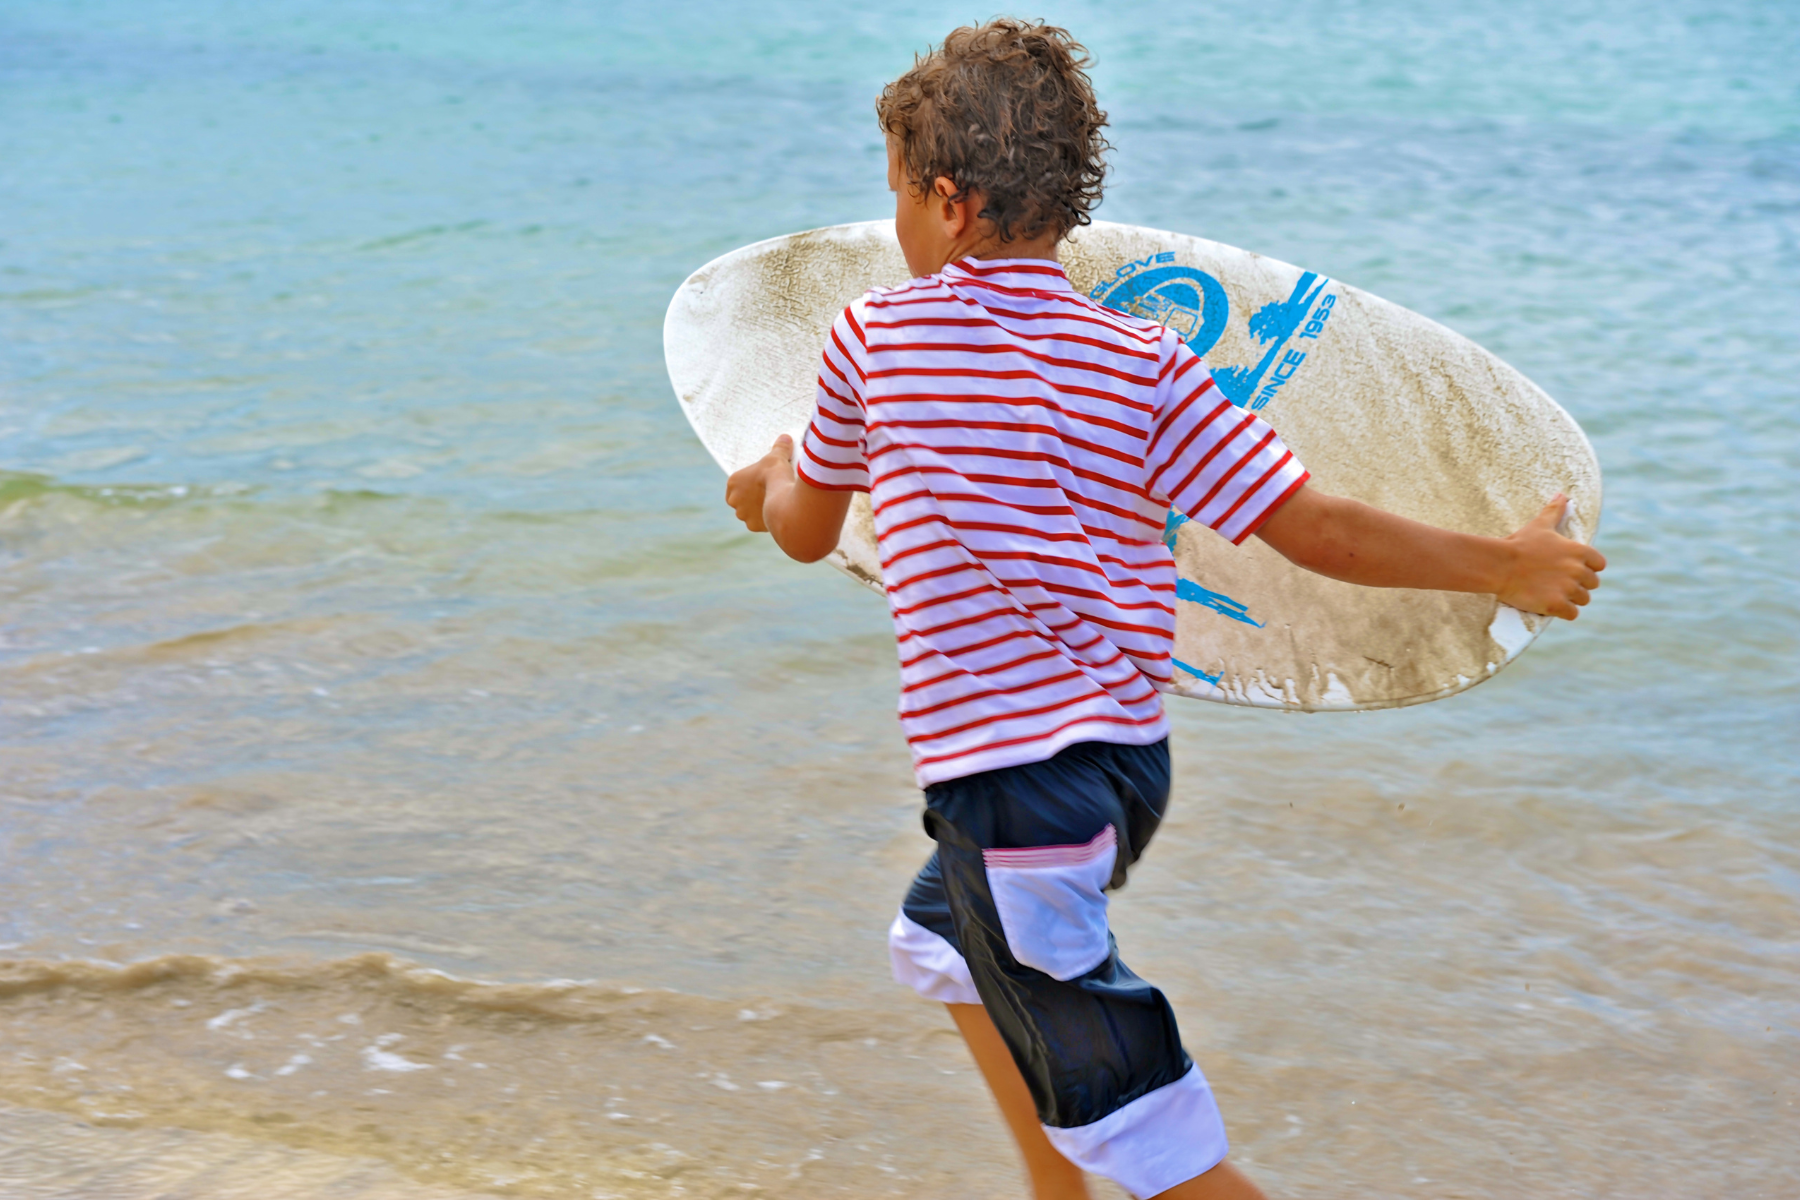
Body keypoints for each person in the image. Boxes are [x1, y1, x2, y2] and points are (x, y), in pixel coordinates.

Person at [724, 19, 1605, 1200]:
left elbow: (807, 530)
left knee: (1146, 1131)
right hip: (1121, 769)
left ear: (943, 202)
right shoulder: (1145, 366)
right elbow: (1317, 529)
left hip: (1009, 787)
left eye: (895, 197)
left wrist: (764, 475)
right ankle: (1059, 1192)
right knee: (942, 943)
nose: (894, 226)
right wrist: (1502, 564)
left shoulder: (875, 341)